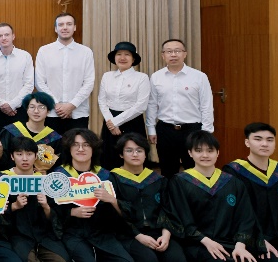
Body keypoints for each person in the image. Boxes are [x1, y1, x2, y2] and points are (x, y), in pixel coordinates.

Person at [168, 131, 259, 261]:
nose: (205, 155)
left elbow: (245, 217)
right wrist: (204, 240)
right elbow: (181, 219)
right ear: (190, 153)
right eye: (198, 151)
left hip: (231, 243)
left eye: (210, 151)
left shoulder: (233, 182)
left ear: (218, 153)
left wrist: (240, 245)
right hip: (197, 243)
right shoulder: (180, 182)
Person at [223, 122, 278, 261]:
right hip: (251, 239)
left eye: (270, 140)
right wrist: (259, 240)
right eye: (258, 139)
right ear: (247, 142)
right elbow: (236, 212)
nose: (264, 144)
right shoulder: (234, 171)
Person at [50, 129, 133, 262]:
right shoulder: (58, 177)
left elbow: (126, 210)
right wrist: (71, 212)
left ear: (93, 149)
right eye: (75, 145)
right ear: (69, 149)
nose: (81, 149)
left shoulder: (105, 176)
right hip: (72, 233)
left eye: (86, 145)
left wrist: (112, 200)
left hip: (102, 233)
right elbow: (49, 209)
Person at [109, 133, 185, 262]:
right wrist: (138, 236)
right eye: (129, 151)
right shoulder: (113, 179)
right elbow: (115, 215)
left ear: (145, 154)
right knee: (148, 258)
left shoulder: (158, 180)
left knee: (177, 258)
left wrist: (166, 235)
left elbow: (168, 209)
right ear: (121, 154)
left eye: (139, 150)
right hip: (129, 234)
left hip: (158, 231)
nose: (135, 154)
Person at [146, 38, 215, 177]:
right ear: (163, 55)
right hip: (165, 130)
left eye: (177, 51)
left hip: (192, 130)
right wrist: (151, 129)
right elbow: (151, 105)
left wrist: (206, 132)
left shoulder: (199, 77)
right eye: (169, 51)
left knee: (194, 170)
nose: (173, 54)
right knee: (167, 171)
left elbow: (207, 105)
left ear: (185, 54)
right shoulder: (156, 77)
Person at [0, 136, 68, 262]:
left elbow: (56, 215)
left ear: (36, 156)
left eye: (29, 154)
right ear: (12, 156)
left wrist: (46, 206)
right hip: (17, 236)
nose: (25, 158)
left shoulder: (45, 181)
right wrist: (14, 206)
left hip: (44, 236)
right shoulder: (2, 180)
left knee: (61, 259)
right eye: (19, 154)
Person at [34, 13, 95, 134]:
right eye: (61, 24)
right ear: (56, 29)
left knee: (78, 145)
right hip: (51, 113)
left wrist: (71, 105)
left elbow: (89, 82)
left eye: (69, 24)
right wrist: (56, 105)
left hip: (78, 113)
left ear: (75, 27)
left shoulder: (86, 52)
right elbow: (40, 82)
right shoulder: (44, 51)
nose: (65, 27)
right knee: (51, 146)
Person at [97, 42, 151, 169]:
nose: (122, 57)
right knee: (109, 158)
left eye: (127, 54)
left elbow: (141, 106)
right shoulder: (107, 76)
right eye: (119, 54)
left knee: (133, 157)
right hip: (109, 121)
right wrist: (111, 122)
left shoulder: (142, 77)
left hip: (132, 121)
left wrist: (116, 122)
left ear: (133, 59)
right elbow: (102, 101)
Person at [0, 23, 35, 138]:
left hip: (19, 110)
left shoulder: (25, 56)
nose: (4, 38)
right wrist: (2, 104)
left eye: (7, 34)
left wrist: (12, 104)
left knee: (19, 145)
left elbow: (29, 84)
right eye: (0, 35)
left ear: (13, 36)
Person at [0, 92, 62, 174]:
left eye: (41, 107)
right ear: (27, 110)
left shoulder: (54, 138)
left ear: (48, 111)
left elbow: (59, 166)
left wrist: (47, 172)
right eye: (32, 107)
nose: (36, 111)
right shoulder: (11, 131)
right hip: (13, 178)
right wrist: (0, 153)